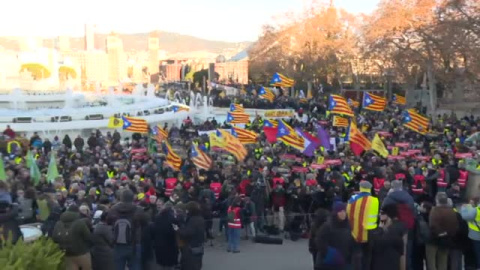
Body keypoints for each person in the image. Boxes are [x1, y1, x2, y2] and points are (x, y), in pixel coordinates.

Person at [108, 189, 148, 270]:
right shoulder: (138, 210)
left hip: (118, 243)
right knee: (135, 266)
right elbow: (145, 224)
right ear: (132, 198)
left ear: (121, 198)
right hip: (134, 243)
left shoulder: (113, 209)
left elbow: (108, 222)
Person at [346, 181, 379, 270]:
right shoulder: (374, 200)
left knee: (355, 256)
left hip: (354, 231)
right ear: (369, 189)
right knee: (367, 257)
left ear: (360, 188)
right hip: (369, 232)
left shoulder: (352, 199)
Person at [315, 202, 354, 270]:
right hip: (329, 262)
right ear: (335, 213)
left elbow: (351, 241)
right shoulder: (327, 226)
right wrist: (331, 254)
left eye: (344, 211)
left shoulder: (348, 226)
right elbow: (320, 241)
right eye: (340, 211)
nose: (343, 213)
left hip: (344, 261)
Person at [52, 205, 93, 270]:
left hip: (67, 254)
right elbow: (88, 237)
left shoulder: (58, 223)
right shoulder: (80, 223)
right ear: (77, 213)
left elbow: (54, 238)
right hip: (81, 253)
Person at [427, 192, 459, 270]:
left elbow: (432, 226)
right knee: (443, 262)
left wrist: (440, 234)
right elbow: (455, 226)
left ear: (437, 200)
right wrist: (446, 234)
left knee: (431, 262)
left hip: (433, 240)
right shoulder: (452, 211)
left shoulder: (434, 210)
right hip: (446, 240)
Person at [371, 204, 407, 270]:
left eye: (382, 213)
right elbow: (403, 254)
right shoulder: (402, 227)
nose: (379, 214)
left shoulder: (378, 233)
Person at [175, 201, 205, 270]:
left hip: (190, 248)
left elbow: (187, 233)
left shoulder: (193, 220)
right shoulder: (200, 218)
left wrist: (177, 229)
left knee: (189, 265)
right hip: (199, 246)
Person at [152, 205, 179, 270]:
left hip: (159, 244)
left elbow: (154, 230)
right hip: (170, 245)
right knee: (170, 265)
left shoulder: (157, 218)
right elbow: (176, 230)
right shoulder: (173, 219)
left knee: (161, 264)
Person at [461, 198, 480, 269]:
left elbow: (465, 216)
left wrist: (464, 207)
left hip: (476, 236)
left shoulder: (476, 210)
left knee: (477, 254)